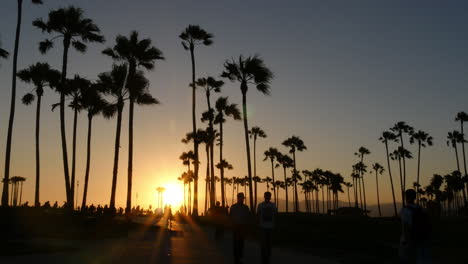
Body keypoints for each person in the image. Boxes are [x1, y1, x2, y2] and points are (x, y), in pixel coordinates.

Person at [399, 189, 431, 264]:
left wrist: (406, 242)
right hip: (422, 240)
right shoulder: (422, 209)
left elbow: (405, 227)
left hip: (410, 241)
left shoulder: (404, 211)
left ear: (406, 197)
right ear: (415, 197)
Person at [230, 192, 251, 264]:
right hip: (235, 226)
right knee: (235, 243)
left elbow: (248, 217)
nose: (242, 199)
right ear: (238, 198)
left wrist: (247, 227)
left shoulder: (246, 207)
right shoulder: (233, 207)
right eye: (241, 197)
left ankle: (240, 257)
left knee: (241, 243)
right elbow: (231, 217)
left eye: (242, 198)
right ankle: (236, 258)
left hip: (242, 227)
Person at [257, 191, 277, 264]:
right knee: (263, 243)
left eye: (269, 196)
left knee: (268, 244)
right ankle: (263, 258)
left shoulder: (273, 205)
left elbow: (276, 215)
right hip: (262, 227)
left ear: (270, 197)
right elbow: (258, 215)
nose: (268, 197)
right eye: (266, 196)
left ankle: (268, 257)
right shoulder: (260, 205)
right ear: (264, 196)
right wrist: (258, 225)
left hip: (270, 227)